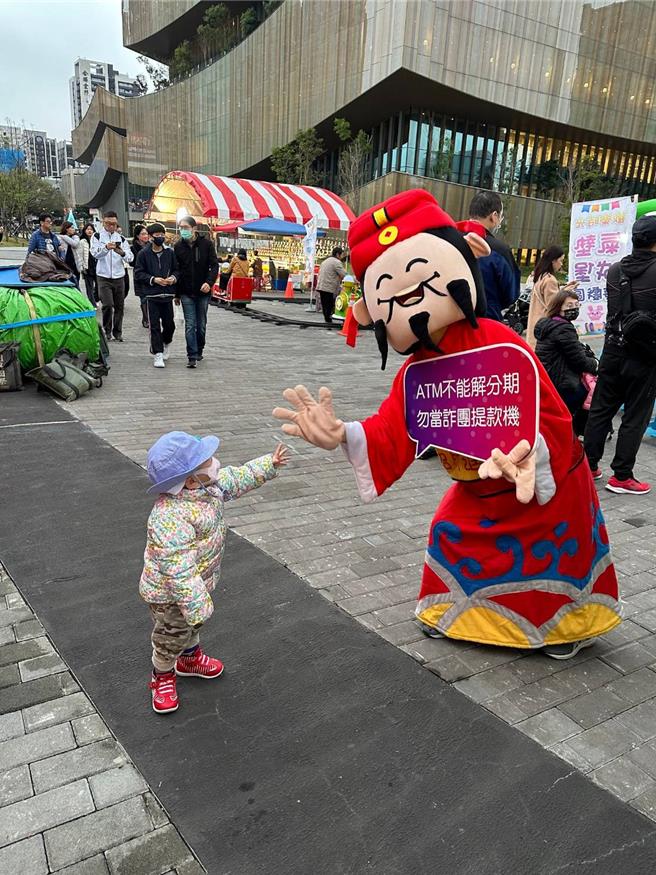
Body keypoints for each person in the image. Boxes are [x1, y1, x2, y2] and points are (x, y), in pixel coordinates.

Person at [274, 189, 621, 660]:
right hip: (476, 485)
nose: (407, 303)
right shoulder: (416, 370)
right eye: (389, 297)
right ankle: (456, 613)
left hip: (540, 486)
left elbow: (553, 416)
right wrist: (344, 435)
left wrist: (534, 456)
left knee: (548, 552)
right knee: (447, 529)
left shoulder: (500, 344)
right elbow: (393, 430)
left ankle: (559, 626)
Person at [141, 431, 289, 713]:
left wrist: (269, 464)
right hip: (170, 595)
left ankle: (189, 659)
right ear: (188, 479)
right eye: (207, 461)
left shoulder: (208, 488)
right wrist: (196, 603)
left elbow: (239, 476)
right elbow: (178, 568)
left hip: (196, 586)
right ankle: (162, 675)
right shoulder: (169, 517)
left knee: (191, 626)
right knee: (170, 636)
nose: (216, 463)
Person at [584, 214, 656, 495]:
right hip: (645, 356)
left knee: (601, 410)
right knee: (635, 417)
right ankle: (622, 476)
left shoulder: (614, 270)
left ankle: (588, 466)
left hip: (613, 350)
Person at [534, 290, 597, 436]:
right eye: (569, 305)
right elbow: (579, 361)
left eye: (576, 305)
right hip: (561, 381)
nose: (573, 308)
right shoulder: (564, 329)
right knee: (587, 395)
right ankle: (573, 435)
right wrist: (594, 364)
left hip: (547, 377)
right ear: (558, 307)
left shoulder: (548, 324)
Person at [174, 216, 219, 369]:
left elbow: (214, 266)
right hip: (186, 292)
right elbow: (177, 270)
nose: (183, 230)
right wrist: (177, 294)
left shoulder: (206, 244)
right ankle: (191, 355)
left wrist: (209, 282)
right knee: (190, 325)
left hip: (203, 292)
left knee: (201, 326)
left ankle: (199, 349)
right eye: (181, 227)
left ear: (194, 228)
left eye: (186, 227)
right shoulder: (178, 246)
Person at [467, 191, 520, 321]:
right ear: (494, 216)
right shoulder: (499, 250)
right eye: (501, 216)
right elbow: (511, 294)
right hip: (485, 320)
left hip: (448, 322)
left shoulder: (450, 240)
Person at [134, 223, 179, 369]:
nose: (160, 237)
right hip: (152, 295)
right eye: (157, 235)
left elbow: (177, 270)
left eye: (162, 234)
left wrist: (173, 278)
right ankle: (157, 353)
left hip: (167, 294)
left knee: (169, 325)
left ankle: (166, 343)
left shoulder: (170, 253)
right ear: (151, 237)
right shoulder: (144, 254)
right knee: (154, 326)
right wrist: (153, 279)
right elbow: (138, 273)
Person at [91, 211, 134, 342]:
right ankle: (107, 330)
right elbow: (94, 254)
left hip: (119, 276)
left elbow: (130, 257)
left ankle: (118, 332)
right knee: (108, 304)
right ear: (103, 222)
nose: (111, 226)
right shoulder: (97, 236)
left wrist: (120, 252)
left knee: (119, 305)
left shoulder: (120, 238)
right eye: (109, 224)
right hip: (103, 276)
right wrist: (105, 248)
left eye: (114, 224)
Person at [526, 246, 578, 347]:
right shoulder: (550, 280)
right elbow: (553, 304)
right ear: (553, 261)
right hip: (544, 326)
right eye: (561, 261)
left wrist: (565, 288)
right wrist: (567, 291)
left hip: (536, 323)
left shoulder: (541, 276)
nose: (561, 264)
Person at [316, 247, 346, 323]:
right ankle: (328, 321)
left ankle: (327, 320)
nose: (342, 257)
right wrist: (353, 279)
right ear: (337, 254)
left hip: (321, 286)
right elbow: (343, 274)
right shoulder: (336, 262)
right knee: (329, 305)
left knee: (325, 304)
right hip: (329, 287)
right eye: (341, 255)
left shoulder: (325, 261)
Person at [131, 225, 150, 327]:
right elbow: (132, 262)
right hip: (139, 275)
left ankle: (149, 317)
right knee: (143, 298)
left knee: (150, 297)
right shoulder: (133, 248)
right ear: (137, 236)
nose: (145, 236)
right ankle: (146, 318)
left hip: (150, 274)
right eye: (143, 234)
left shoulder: (151, 245)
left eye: (146, 233)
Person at [79, 223, 98, 307]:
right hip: (87, 266)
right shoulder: (82, 241)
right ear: (85, 231)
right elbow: (80, 255)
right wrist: (82, 267)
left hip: (97, 266)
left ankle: (95, 299)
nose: (90, 231)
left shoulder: (96, 240)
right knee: (89, 286)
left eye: (91, 229)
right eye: (88, 229)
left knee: (99, 286)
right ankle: (92, 303)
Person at [57, 221, 82, 286]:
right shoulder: (60, 238)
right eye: (72, 228)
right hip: (65, 264)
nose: (74, 229)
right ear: (66, 229)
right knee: (67, 284)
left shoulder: (75, 237)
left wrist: (65, 237)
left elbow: (75, 244)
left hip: (75, 264)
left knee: (76, 283)